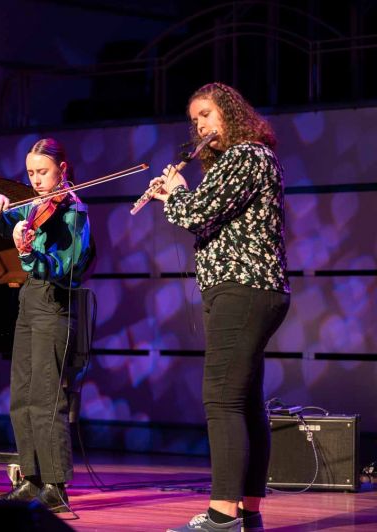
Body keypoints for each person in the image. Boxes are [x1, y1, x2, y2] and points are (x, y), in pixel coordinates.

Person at [149, 83, 291, 532]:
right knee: (244, 402)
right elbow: (207, 214)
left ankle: (220, 516)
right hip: (243, 290)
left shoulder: (247, 156)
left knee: (222, 400)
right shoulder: (240, 161)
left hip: (243, 288)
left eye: (207, 114)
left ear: (230, 112)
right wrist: (176, 197)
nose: (201, 126)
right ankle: (248, 512)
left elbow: (197, 215)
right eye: (195, 121)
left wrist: (176, 192)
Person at [0, 138, 93, 513]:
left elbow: (64, 268)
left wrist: (28, 252)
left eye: (43, 172)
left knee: (47, 398)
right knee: (22, 397)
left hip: (54, 303)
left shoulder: (73, 211)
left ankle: (56, 487)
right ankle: (31, 479)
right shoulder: (34, 206)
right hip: (29, 300)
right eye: (30, 173)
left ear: (63, 169)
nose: (36, 180)